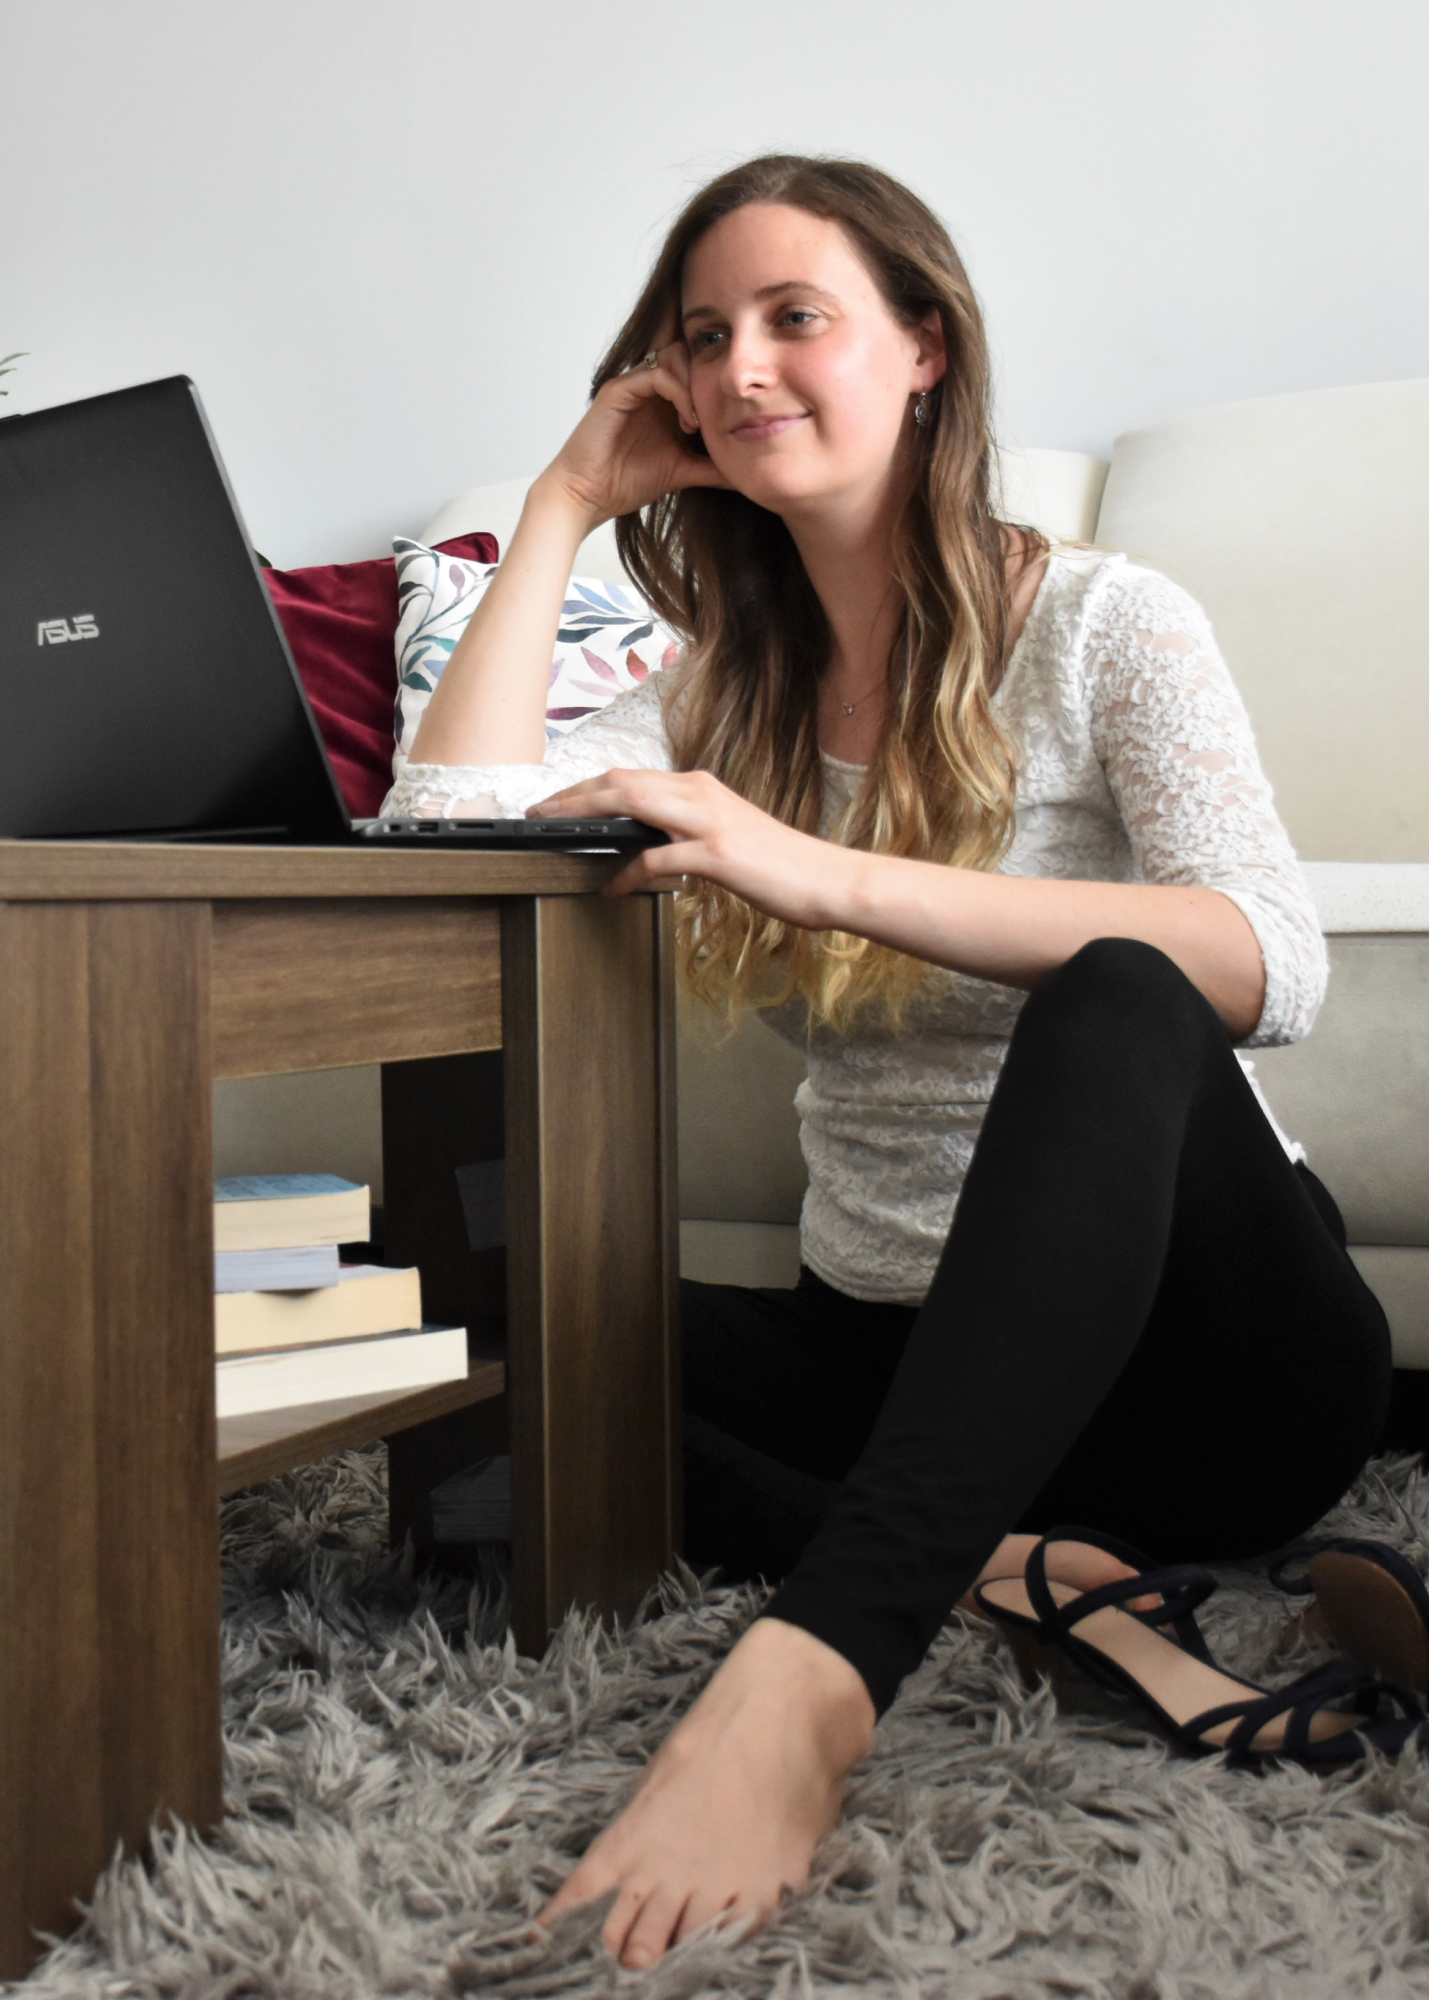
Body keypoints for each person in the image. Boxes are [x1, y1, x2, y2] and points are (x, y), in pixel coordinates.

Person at [386, 155, 1394, 1967]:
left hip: (1212, 1363)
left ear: (922, 348)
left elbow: (1269, 960)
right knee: (461, 1296)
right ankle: (1025, 1575)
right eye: (704, 336)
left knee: (1122, 985)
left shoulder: (1102, 621)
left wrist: (817, 870)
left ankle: (821, 1663)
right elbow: (441, 823)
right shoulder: (719, 692)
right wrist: (557, 505)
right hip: (893, 1353)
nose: (742, 367)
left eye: (796, 317)